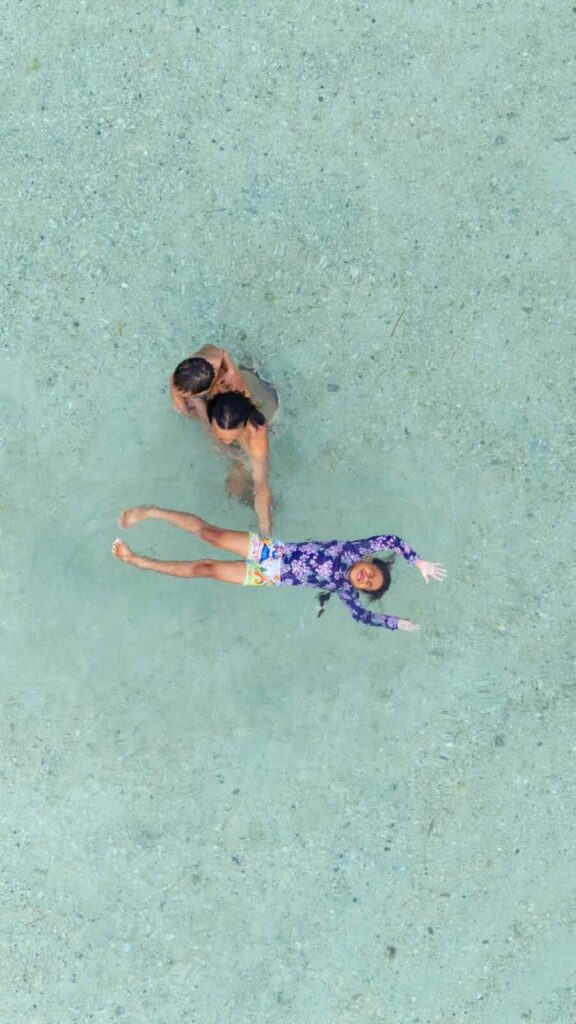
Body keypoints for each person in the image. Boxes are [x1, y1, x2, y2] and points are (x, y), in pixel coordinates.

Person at [112, 505, 446, 631]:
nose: (366, 578)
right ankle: (152, 513)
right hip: (274, 551)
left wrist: (396, 623)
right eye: (371, 573)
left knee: (207, 569)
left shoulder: (344, 590)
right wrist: (418, 561)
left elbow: (363, 617)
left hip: (269, 576)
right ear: (368, 561)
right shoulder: (354, 549)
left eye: (368, 586)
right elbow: (391, 538)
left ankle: (140, 561)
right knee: (210, 534)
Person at [169, 346, 278, 535]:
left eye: (230, 439)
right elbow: (178, 390)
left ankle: (273, 511)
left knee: (235, 486)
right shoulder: (196, 371)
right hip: (233, 394)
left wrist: (265, 527)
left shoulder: (256, 435)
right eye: (222, 437)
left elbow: (261, 483)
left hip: (265, 403)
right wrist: (197, 407)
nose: (226, 443)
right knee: (234, 487)